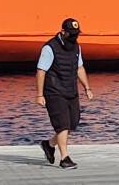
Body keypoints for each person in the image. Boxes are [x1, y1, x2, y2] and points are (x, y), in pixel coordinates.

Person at [36, 18, 93, 169]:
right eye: (72, 34)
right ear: (63, 32)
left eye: (76, 34)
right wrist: (40, 95)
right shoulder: (49, 48)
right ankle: (64, 158)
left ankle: (48, 145)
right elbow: (41, 71)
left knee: (72, 124)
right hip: (54, 91)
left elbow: (79, 68)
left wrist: (87, 88)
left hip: (70, 90)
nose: (74, 37)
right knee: (62, 125)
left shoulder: (76, 47)